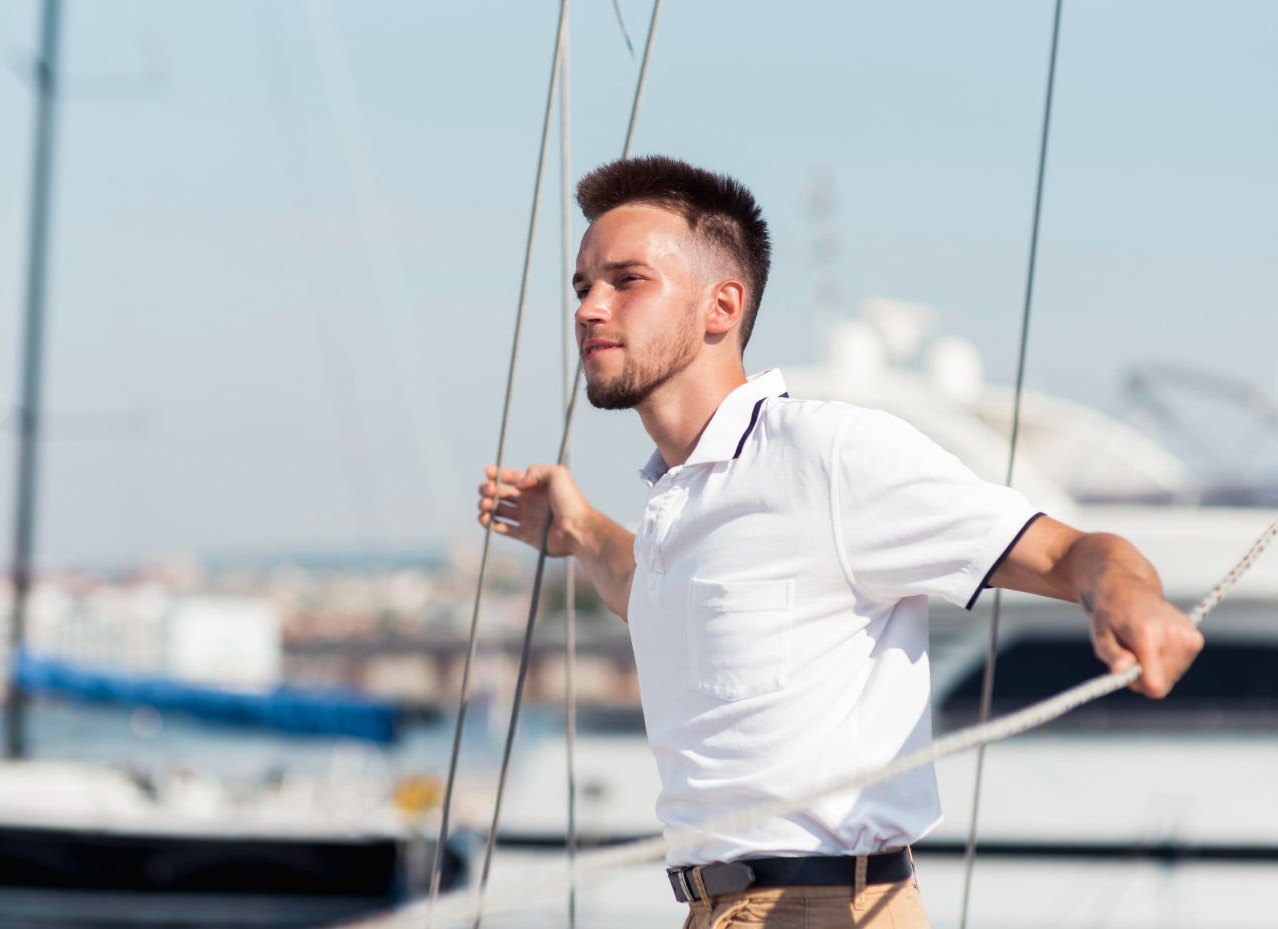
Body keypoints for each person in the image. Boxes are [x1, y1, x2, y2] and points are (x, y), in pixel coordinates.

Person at [476, 156, 1203, 929]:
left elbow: (1069, 552)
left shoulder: (827, 457)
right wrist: (582, 529)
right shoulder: (678, 498)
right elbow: (648, 588)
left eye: (626, 281)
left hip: (825, 907)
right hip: (711, 911)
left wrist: (1131, 595)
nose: (589, 308)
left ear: (721, 306)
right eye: (582, 285)